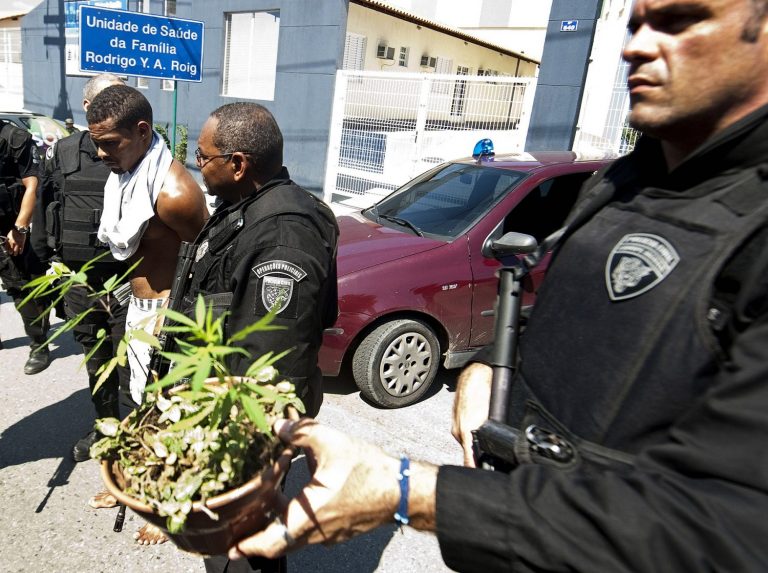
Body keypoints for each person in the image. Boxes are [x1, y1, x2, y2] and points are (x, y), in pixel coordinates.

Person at [224, 1, 768, 571]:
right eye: (634, 24)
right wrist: (486, 362)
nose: (636, 45)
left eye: (680, 20)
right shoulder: (627, 179)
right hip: (531, 534)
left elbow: (721, 526)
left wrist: (407, 492)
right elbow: (571, 310)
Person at [183, 102, 338, 572]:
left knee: (242, 543)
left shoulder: (284, 232)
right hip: (219, 403)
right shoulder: (242, 206)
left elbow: (272, 361)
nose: (197, 164)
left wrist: (241, 440)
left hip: (247, 419)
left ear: (238, 164)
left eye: (203, 157)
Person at [85, 84, 208, 544]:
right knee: (140, 405)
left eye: (109, 143)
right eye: (96, 142)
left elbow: (206, 261)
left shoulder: (175, 192)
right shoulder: (126, 171)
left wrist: (171, 317)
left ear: (141, 131)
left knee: (169, 411)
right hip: (137, 307)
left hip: (167, 315)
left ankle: (165, 506)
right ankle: (134, 487)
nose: (100, 153)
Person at [33, 73, 128, 463]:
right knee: (96, 357)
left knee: (136, 358)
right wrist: (44, 264)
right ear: (87, 107)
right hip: (80, 279)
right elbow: (45, 208)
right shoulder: (64, 152)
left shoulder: (142, 148)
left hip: (130, 277)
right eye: (106, 102)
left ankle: (137, 431)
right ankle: (105, 427)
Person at [0, 117, 52, 374]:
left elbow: (33, 184)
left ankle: (39, 345)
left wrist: (20, 228)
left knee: (22, 289)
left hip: (10, 228)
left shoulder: (14, 139)